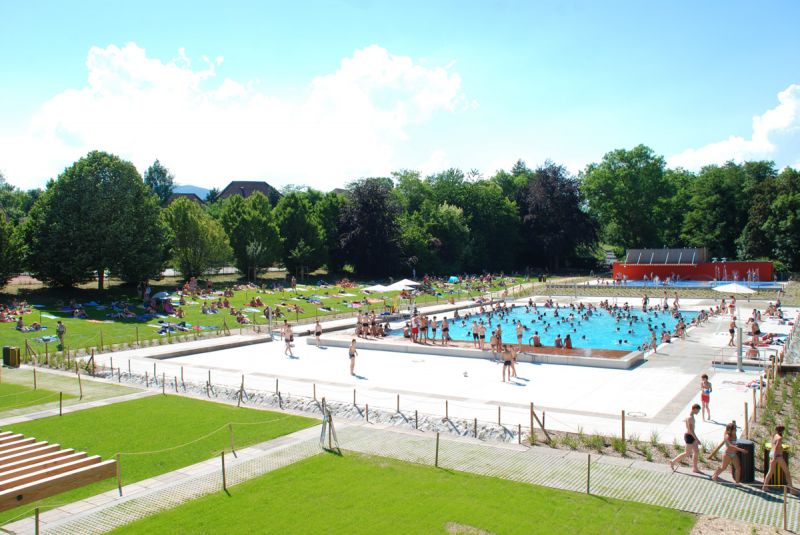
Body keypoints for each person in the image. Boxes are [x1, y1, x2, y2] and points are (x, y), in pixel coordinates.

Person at [670, 404, 703, 474]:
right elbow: (691, 430)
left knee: (696, 451)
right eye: (698, 410)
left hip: (692, 436)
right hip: (689, 436)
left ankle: (695, 468)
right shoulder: (690, 418)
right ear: (694, 409)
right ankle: (673, 462)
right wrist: (697, 439)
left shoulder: (690, 416)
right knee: (687, 453)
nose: (698, 412)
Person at [763, 425, 796, 493]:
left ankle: (764, 487)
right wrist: (774, 457)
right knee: (787, 472)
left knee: (770, 471)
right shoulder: (780, 438)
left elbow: (774, 446)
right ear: (782, 431)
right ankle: (792, 490)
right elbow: (776, 447)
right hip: (777, 456)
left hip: (772, 454)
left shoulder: (775, 435)